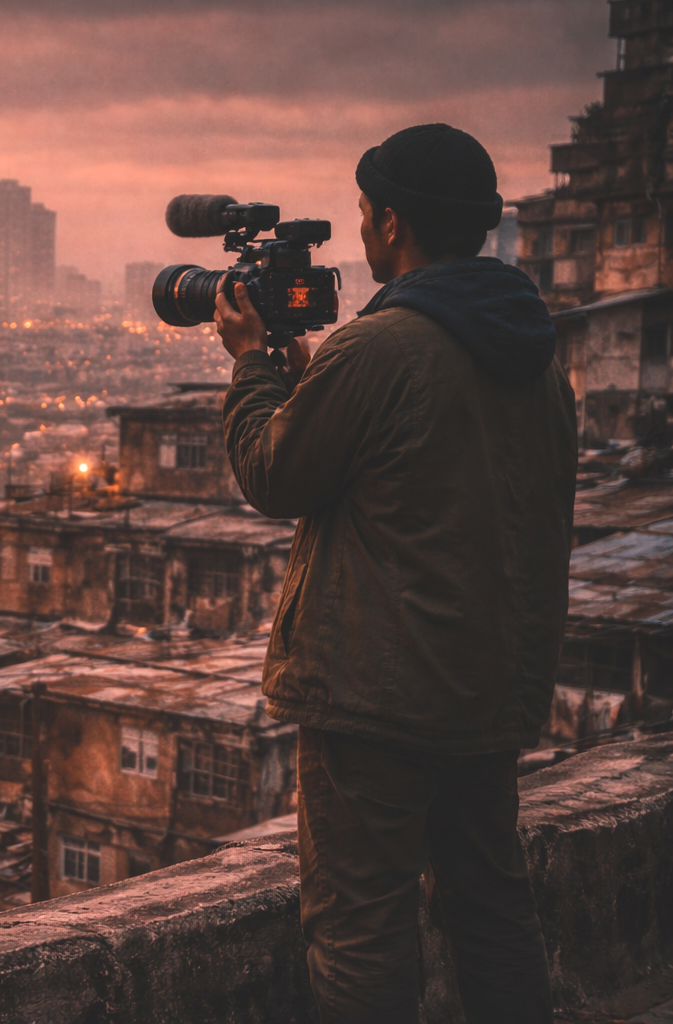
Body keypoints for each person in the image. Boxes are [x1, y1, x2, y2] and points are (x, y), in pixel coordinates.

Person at [213, 123, 578, 1024]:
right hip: (486, 687)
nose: (363, 228)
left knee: (360, 930)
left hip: (377, 700)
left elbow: (275, 473)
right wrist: (311, 374)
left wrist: (253, 365)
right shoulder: (531, 353)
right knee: (492, 910)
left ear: (393, 225)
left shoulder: (382, 346)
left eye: (367, 211)